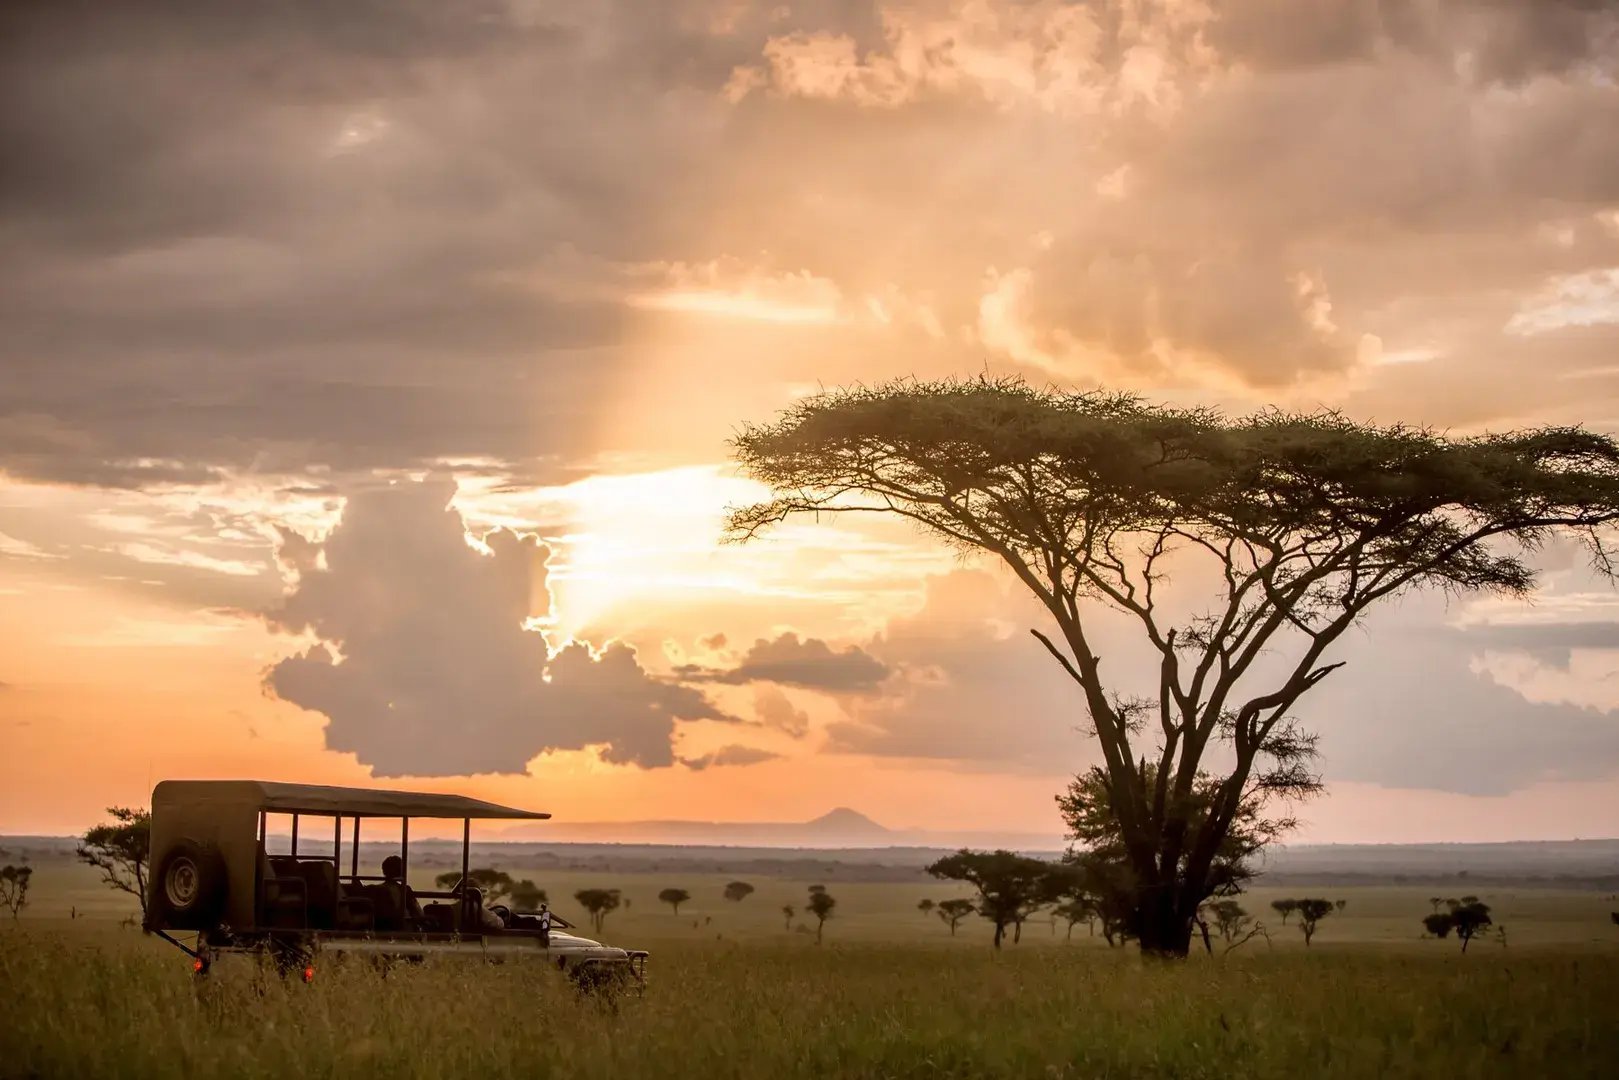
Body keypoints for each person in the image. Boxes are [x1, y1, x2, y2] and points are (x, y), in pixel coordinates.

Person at [381, 855, 424, 922]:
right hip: (402, 927)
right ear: (401, 871)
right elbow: (418, 912)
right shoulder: (404, 889)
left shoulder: (376, 889)